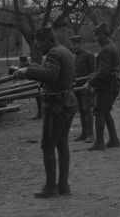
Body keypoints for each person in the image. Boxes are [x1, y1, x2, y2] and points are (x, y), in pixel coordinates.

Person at [14, 25, 77, 197]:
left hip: (56, 105)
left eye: (40, 43)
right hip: (68, 101)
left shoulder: (54, 53)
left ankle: (50, 188)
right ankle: (63, 186)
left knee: (48, 145)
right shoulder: (66, 51)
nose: (38, 46)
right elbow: (70, 77)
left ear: (48, 40)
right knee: (62, 143)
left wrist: (27, 71)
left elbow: (50, 75)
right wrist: (32, 68)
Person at [84, 22, 120, 150]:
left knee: (99, 111)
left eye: (96, 36)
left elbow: (103, 72)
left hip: (106, 85)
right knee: (105, 111)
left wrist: (89, 83)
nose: (95, 39)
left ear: (103, 35)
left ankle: (100, 143)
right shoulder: (113, 46)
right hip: (112, 83)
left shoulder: (106, 49)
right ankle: (114, 140)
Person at [69, 35, 96, 143]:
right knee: (81, 110)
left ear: (81, 45)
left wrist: (90, 85)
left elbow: (93, 73)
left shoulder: (89, 55)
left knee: (87, 110)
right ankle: (84, 134)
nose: (73, 47)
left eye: (75, 45)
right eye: (72, 45)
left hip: (86, 87)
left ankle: (91, 135)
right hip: (77, 88)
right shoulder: (74, 57)